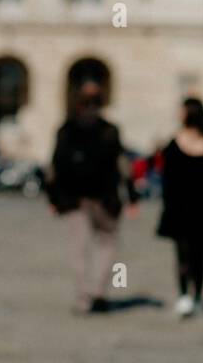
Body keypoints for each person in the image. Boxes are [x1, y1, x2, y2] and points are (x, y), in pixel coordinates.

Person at [45, 81, 138, 313]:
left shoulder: (66, 130)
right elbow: (123, 166)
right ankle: (97, 290)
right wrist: (132, 197)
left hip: (74, 199)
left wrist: (53, 199)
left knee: (79, 248)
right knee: (106, 243)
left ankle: (84, 297)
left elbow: (54, 166)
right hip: (104, 198)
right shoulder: (109, 130)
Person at [157, 96, 203, 317]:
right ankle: (185, 294)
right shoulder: (175, 142)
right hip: (180, 207)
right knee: (183, 253)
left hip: (200, 207)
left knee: (199, 255)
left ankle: (198, 296)